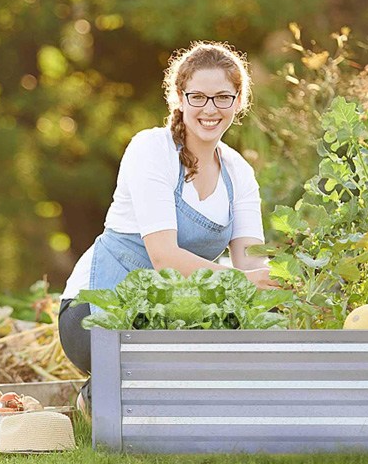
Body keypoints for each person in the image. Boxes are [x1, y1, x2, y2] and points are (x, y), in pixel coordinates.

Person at [57, 41, 278, 412]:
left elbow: (251, 263)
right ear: (179, 98)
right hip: (97, 315)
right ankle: (94, 399)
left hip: (175, 319)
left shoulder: (239, 172)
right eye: (198, 97)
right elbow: (164, 258)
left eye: (223, 97)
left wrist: (284, 282)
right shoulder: (151, 149)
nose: (210, 109)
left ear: (239, 102)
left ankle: (120, 399)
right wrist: (243, 283)